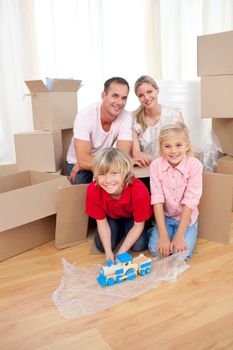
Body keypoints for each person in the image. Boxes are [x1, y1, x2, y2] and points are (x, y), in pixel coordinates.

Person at [86, 147, 152, 262]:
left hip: (134, 218)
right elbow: (101, 222)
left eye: (114, 173)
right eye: (102, 174)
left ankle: (127, 232)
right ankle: (120, 231)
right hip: (112, 217)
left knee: (139, 246)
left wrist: (121, 252)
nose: (108, 180)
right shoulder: (93, 190)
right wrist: (108, 252)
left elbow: (138, 225)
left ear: (125, 173)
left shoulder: (139, 191)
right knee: (102, 246)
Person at [149, 122, 203, 260]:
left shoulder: (194, 165)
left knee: (181, 255)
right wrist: (163, 236)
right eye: (167, 146)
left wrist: (179, 236)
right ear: (161, 148)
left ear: (187, 145)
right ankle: (157, 231)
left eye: (178, 145)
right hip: (165, 217)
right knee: (158, 251)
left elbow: (190, 201)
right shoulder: (155, 166)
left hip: (186, 219)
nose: (173, 151)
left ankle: (185, 232)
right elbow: (157, 200)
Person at [66, 77, 133, 184]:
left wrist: (110, 164)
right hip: (78, 163)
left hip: (105, 160)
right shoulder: (85, 116)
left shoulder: (126, 116)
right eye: (115, 96)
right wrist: (84, 162)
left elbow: (123, 155)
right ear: (103, 96)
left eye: (124, 98)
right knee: (81, 192)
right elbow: (83, 160)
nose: (119, 102)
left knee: (124, 183)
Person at [132, 75, 183, 167]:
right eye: (141, 95)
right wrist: (162, 161)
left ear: (157, 90)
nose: (146, 98)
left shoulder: (174, 115)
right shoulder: (134, 119)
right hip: (146, 170)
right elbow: (137, 154)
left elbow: (182, 147)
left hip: (173, 167)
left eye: (149, 92)